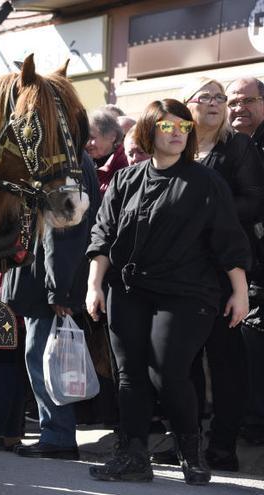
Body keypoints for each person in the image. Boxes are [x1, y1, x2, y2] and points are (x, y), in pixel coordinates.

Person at [86, 99, 250, 485]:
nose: (177, 133)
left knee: (168, 373)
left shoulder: (206, 182)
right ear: (148, 130)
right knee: (129, 376)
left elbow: (229, 240)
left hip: (187, 293)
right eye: (166, 126)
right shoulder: (127, 180)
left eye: (183, 127)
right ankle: (134, 455)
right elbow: (103, 236)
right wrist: (94, 286)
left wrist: (239, 292)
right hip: (128, 290)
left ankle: (191, 455)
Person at [179, 78, 264, 471]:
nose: (216, 104)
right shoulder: (178, 146)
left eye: (220, 98)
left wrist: (210, 216)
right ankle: (189, 443)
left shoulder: (239, 147)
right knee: (185, 362)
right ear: (188, 106)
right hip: (180, 274)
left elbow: (255, 201)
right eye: (208, 97)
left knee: (226, 363)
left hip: (226, 271)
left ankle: (222, 448)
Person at [0, 152, 100, 459]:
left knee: (45, 361)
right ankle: (55, 433)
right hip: (41, 280)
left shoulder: (65, 161)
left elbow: (62, 230)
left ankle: (58, 436)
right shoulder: (63, 157)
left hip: (46, 284)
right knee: (41, 358)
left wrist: (59, 291)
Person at [226, 77, 264, 446]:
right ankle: (250, 420)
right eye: (233, 102)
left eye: (247, 100)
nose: (239, 108)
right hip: (244, 264)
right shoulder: (229, 145)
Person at [87, 109, 126, 194]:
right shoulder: (84, 164)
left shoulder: (126, 165)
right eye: (85, 139)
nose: (87, 144)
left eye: (92, 137)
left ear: (112, 136)